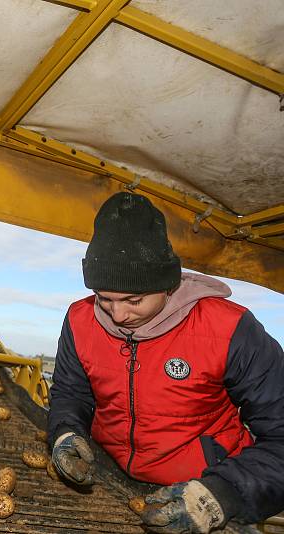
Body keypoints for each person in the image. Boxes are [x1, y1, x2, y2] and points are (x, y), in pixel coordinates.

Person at [47, 192, 284, 533]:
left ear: (167, 285)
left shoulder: (230, 330)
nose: (118, 314)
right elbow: (72, 392)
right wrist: (65, 432)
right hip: (109, 481)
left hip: (205, 490)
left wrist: (222, 494)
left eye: (134, 299)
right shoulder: (79, 319)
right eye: (104, 298)